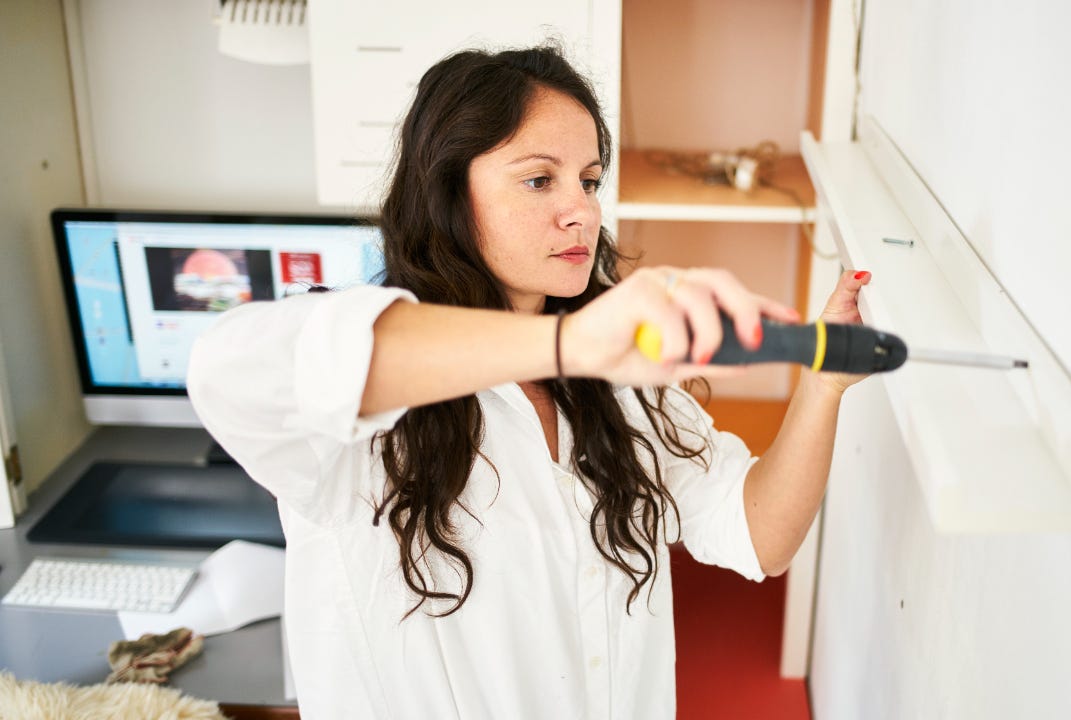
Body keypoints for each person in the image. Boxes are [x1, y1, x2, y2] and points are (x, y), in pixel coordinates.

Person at [187, 44, 870, 719]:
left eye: (590, 180)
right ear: (449, 191)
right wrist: (566, 345)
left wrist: (824, 387)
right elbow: (223, 370)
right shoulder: (373, 380)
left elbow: (760, 535)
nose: (582, 209)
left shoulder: (618, 381)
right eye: (540, 179)